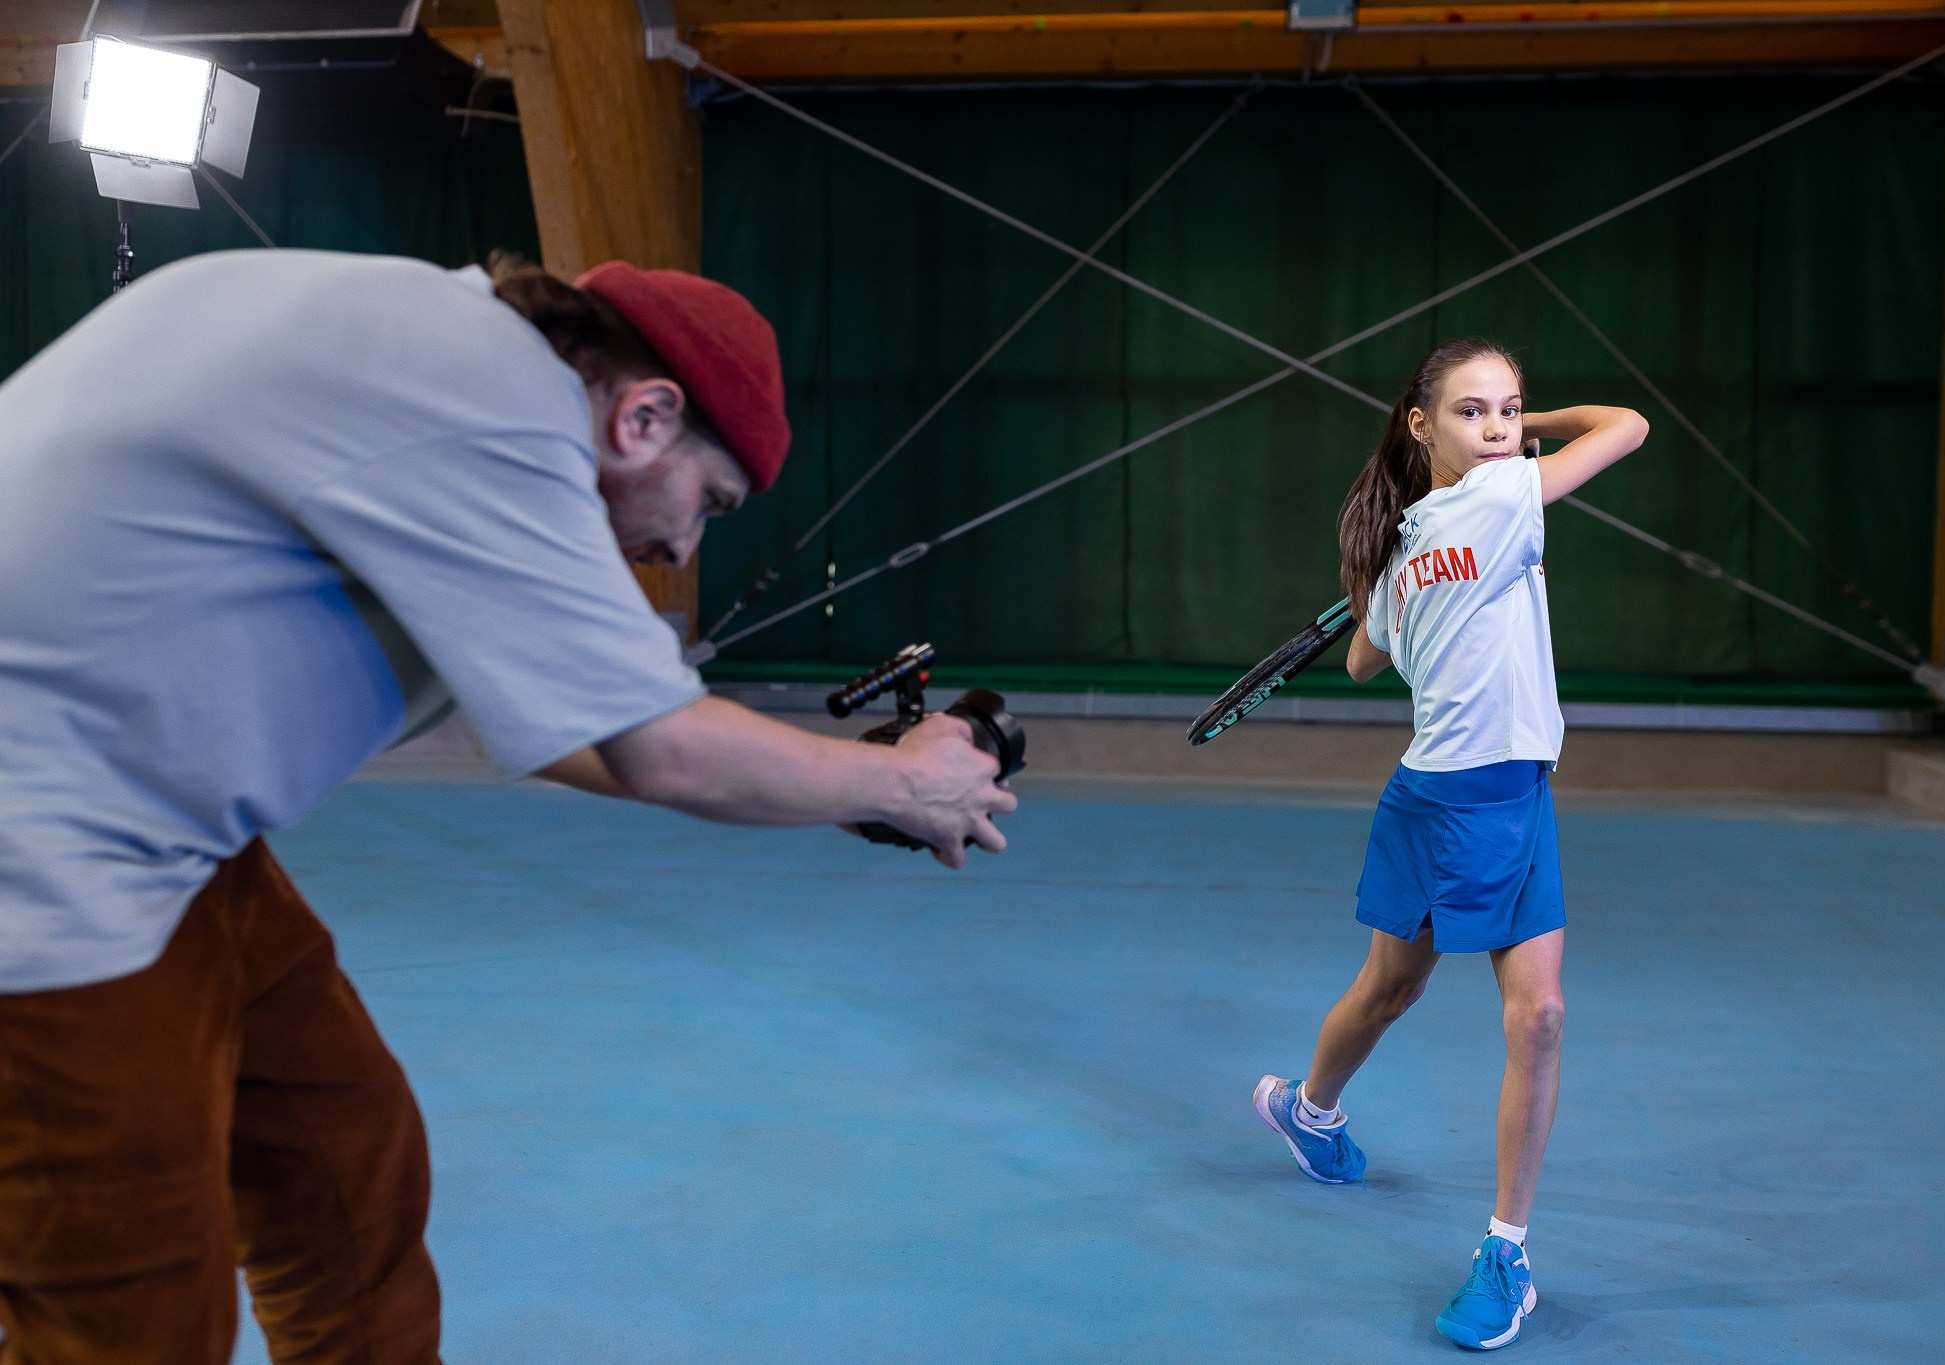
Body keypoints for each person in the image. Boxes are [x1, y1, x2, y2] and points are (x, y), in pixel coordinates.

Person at [0, 248, 1016, 1363]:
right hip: (45, 858)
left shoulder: (427, 351)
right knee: (127, 1310)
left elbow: (547, 724)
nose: (682, 548)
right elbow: (656, 751)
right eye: (709, 501)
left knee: (338, 1157)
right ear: (645, 416)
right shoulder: (485, 394)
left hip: (158, 828)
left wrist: (839, 789)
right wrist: (909, 780)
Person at [1252, 337, 1647, 1351]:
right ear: (1419, 425)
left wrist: (1516, 445)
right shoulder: (1424, 532)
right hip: (1432, 802)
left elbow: (1354, 661)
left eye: (1511, 409)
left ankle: (1504, 1252)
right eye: (1472, 411)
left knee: (1538, 1017)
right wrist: (1388, 578)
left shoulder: (1502, 493)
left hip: (1508, 795)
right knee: (1388, 990)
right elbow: (1366, 646)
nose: (1501, 428)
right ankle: (1308, 1110)